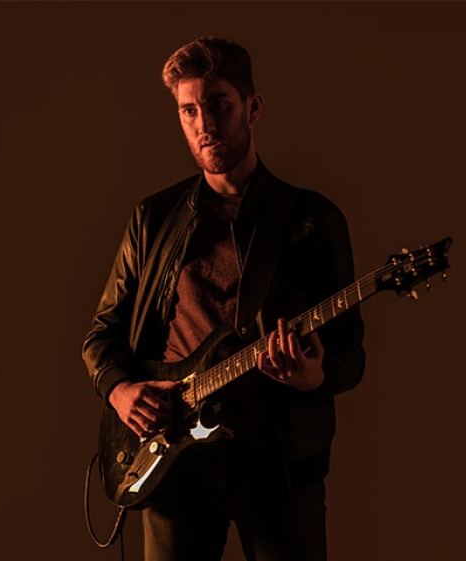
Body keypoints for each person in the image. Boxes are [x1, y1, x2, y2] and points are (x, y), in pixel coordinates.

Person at [83, 37, 365, 561]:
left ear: (252, 107)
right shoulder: (153, 218)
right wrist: (120, 390)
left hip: (277, 464)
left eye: (218, 104)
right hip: (174, 462)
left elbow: (350, 352)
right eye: (188, 110)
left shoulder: (313, 220)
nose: (204, 124)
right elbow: (102, 334)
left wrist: (314, 377)